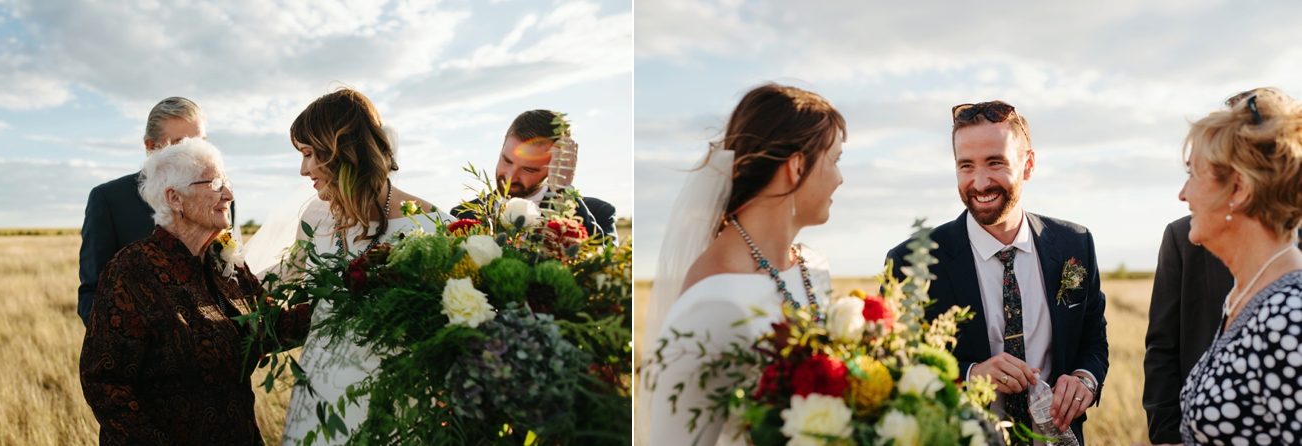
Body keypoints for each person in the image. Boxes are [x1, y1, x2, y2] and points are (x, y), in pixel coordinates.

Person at [886, 100, 1108, 442]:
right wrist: (970, 376)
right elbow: (894, 369)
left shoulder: (1075, 244)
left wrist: (1084, 379)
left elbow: (1093, 340)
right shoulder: (910, 263)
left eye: (995, 162)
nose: (979, 182)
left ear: (1028, 165)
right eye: (966, 166)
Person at [641, 83, 845, 445]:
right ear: (797, 166)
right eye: (835, 160)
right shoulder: (713, 302)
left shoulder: (814, 268)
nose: (840, 178)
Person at [79, 138, 310, 445]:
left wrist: (349, 293)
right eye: (214, 184)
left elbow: (272, 328)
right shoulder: (132, 271)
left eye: (227, 182)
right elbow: (104, 382)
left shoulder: (227, 264)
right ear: (175, 198)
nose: (229, 194)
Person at [276, 88, 448, 445]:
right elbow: (284, 281)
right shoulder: (315, 216)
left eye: (309, 153)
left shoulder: (431, 227)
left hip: (394, 402)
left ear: (343, 151)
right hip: (318, 396)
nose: (303, 169)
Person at [1168, 87, 1302, 445]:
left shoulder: (1289, 318)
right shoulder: (1245, 294)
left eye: (1193, 174)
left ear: (1238, 188)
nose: (1183, 194)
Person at [77, 97, 236, 326]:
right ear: (151, 147)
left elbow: (232, 281)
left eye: (200, 142)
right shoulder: (109, 199)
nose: (195, 152)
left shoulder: (222, 197)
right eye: (181, 143)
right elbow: (93, 291)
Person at [450, 109, 617, 242]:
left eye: (528, 169)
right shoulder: (463, 215)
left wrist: (562, 191)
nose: (510, 177)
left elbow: (603, 269)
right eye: (507, 160)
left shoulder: (599, 213)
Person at [1143, 216, 1234, 442]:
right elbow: (1162, 347)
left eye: (1195, 178)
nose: (1183, 194)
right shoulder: (1183, 235)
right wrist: (1167, 437)